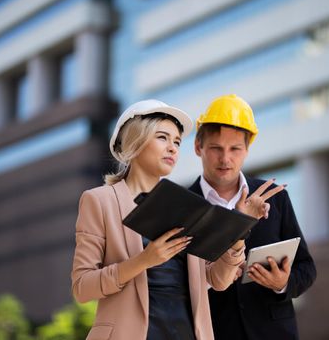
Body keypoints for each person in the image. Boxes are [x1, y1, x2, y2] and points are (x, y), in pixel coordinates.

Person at [71, 99, 278, 340]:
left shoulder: (187, 206)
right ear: (135, 141)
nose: (172, 148)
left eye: (177, 142)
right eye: (162, 138)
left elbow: (217, 280)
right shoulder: (100, 201)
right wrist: (144, 261)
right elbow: (82, 288)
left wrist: (238, 230)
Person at [189, 94, 317, 340]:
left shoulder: (274, 197)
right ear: (198, 147)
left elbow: (307, 268)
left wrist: (282, 283)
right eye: (216, 148)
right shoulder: (184, 206)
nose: (225, 158)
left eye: (235, 149)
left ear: (247, 150)